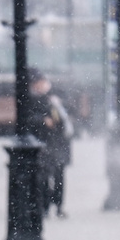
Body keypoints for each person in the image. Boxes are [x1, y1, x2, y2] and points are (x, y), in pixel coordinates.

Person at [28, 70, 73, 218]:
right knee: (44, 177)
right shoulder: (33, 98)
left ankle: (59, 206)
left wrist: (60, 104)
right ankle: (45, 207)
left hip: (59, 143)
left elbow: (71, 109)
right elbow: (28, 119)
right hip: (44, 143)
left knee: (59, 175)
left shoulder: (57, 93)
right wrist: (42, 120)